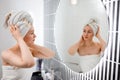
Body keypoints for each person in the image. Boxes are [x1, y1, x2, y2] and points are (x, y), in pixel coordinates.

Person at [1, 11, 55, 80]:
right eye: (32, 33)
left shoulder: (29, 51)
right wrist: (19, 38)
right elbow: (29, 63)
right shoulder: (7, 54)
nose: (35, 36)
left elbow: (50, 54)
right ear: (22, 34)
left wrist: (31, 45)